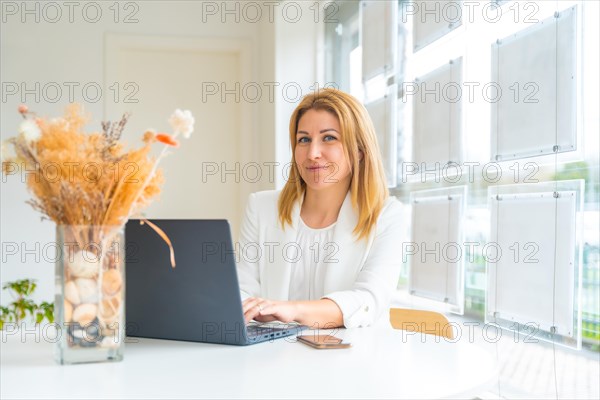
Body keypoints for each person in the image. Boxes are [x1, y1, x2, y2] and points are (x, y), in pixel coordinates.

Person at [237, 88, 403, 329]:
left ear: (359, 151)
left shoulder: (387, 215)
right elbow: (242, 291)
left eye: (329, 138)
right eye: (304, 139)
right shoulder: (261, 207)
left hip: (353, 358)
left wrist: (291, 310)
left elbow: (368, 300)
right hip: (273, 356)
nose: (313, 153)